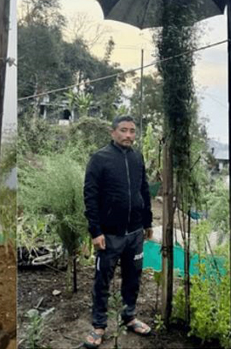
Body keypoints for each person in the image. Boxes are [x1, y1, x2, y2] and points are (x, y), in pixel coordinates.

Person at [83, 115, 153, 349]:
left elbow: (144, 190)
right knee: (103, 280)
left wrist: (147, 222)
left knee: (133, 278)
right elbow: (90, 196)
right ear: (113, 133)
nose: (128, 135)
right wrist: (95, 231)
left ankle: (130, 317)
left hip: (134, 233)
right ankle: (99, 325)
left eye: (132, 131)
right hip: (109, 235)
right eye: (123, 130)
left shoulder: (137, 158)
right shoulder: (100, 159)